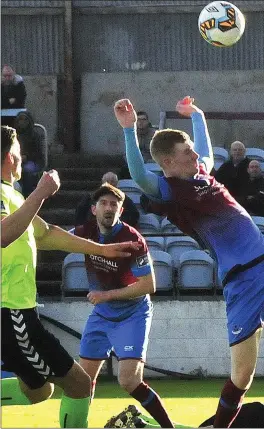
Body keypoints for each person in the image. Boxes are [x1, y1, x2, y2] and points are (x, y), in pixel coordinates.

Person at [114, 97, 264, 428]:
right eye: (187, 153)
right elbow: (139, 176)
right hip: (242, 280)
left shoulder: (202, 175)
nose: (196, 156)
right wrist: (128, 131)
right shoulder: (170, 190)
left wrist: (197, 115)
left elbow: (206, 151)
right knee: (242, 376)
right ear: (168, 162)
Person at [1, 125, 142, 428]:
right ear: (10, 157)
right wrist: (41, 192)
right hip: (10, 311)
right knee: (79, 384)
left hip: (17, 311)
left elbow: (48, 234)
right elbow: (3, 234)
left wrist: (100, 250)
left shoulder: (12, 195)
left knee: (39, 391)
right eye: (19, 154)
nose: (21, 160)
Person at [73, 182, 174, 428]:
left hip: (133, 314)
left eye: (114, 204)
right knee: (82, 381)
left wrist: (106, 296)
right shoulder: (84, 232)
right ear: (94, 209)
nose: (109, 208)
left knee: (128, 381)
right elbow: (52, 236)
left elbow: (149, 286)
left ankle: (167, 427)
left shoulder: (133, 240)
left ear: (121, 210)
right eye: (104, 203)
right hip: (102, 315)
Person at [75, 171, 140, 227]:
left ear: (116, 184)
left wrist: (116, 224)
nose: (109, 184)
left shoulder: (123, 199)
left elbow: (134, 216)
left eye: (112, 181)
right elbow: (79, 217)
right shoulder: (90, 198)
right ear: (102, 181)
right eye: (107, 181)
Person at [14, 111, 47, 197]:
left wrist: (26, 157)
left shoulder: (36, 135)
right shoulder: (13, 135)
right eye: (20, 119)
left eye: (25, 120)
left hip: (33, 162)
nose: (22, 122)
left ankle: (27, 196)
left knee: (25, 170)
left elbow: (40, 153)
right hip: (15, 161)